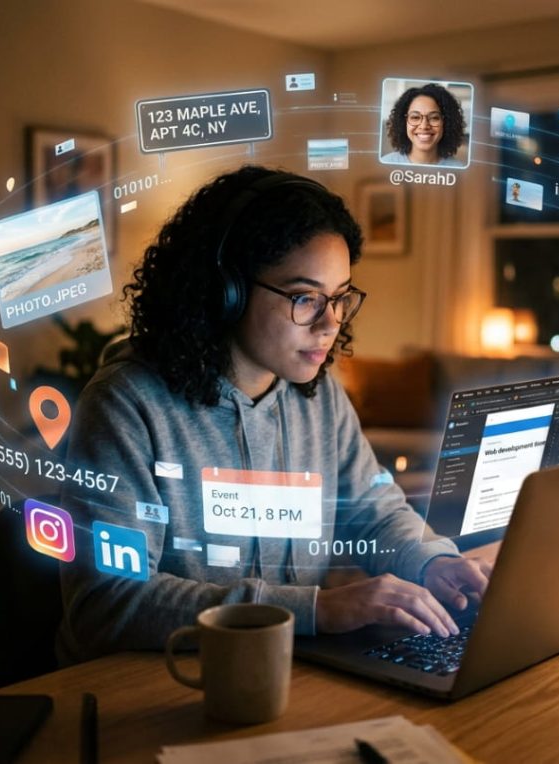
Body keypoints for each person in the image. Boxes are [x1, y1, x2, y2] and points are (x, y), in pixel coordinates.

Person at [56, 165, 488, 664]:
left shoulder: (320, 396)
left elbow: (375, 512)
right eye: (305, 298)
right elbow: (105, 604)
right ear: (226, 290)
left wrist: (433, 562)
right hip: (155, 685)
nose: (330, 324)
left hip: (283, 673)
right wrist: (314, 611)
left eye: (340, 297)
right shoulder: (127, 403)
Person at [380, 82, 467, 167]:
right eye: (415, 117)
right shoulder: (385, 165)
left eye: (434, 118)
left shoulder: (458, 170)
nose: (424, 126)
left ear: (446, 123)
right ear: (403, 122)